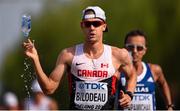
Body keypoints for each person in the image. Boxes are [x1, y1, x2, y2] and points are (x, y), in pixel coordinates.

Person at [23, 6, 137, 110]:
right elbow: (49, 88)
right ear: (82, 26)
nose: (92, 28)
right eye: (87, 24)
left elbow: (132, 75)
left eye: (96, 23)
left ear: (104, 26)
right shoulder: (68, 55)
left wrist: (129, 94)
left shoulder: (119, 55)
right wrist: (36, 59)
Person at [116, 29, 173, 110]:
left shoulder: (154, 70)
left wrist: (169, 106)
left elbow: (163, 84)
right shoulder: (118, 72)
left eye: (139, 48)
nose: (134, 51)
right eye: (130, 47)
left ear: (145, 50)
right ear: (124, 48)